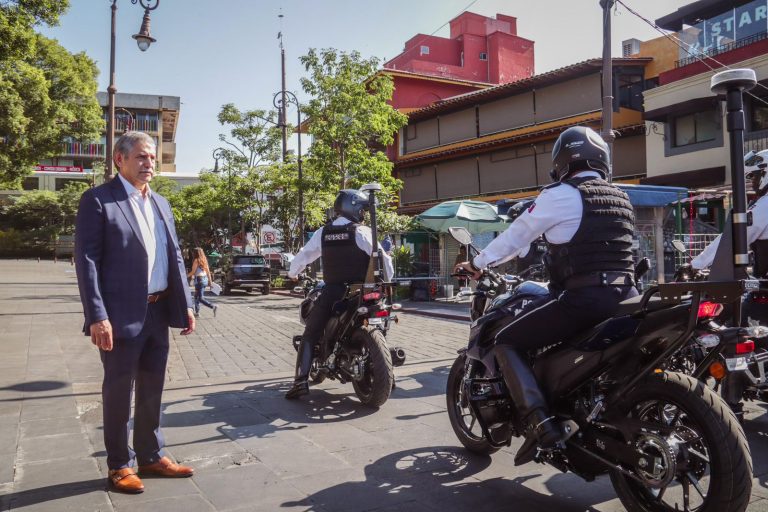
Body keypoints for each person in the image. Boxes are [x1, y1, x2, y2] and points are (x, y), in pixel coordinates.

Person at [455, 126, 638, 465]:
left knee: (507, 341)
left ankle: (541, 424)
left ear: (562, 162)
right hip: (628, 297)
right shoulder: (621, 197)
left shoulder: (560, 195)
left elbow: (517, 236)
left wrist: (478, 264)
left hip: (584, 300)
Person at [74, 131, 196, 494]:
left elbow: (175, 256)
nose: (149, 164)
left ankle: (151, 455)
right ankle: (119, 464)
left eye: (153, 158)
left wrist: (187, 303)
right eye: (142, 157)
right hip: (119, 316)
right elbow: (87, 261)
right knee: (118, 390)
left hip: (158, 310)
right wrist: (97, 315)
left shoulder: (161, 203)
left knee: (152, 387)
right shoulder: (99, 200)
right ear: (120, 159)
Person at [284, 189, 394, 399]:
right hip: (363, 292)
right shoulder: (362, 232)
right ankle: (388, 374)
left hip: (334, 292)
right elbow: (383, 259)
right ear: (352, 208)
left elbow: (304, 255)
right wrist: (386, 281)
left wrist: (293, 273)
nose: (363, 214)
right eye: (361, 210)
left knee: (310, 333)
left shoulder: (323, 232)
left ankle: (300, 382)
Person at [692, 149, 768, 277]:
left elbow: (735, 236)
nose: (753, 182)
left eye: (755, 176)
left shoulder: (765, 204)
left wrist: (696, 265)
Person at [187, 247, 218, 318]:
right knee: (196, 296)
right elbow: (208, 272)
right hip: (204, 280)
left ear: (195, 253)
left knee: (200, 298)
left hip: (199, 280)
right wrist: (210, 282)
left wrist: (185, 276)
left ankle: (213, 306)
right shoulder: (204, 260)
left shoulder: (196, 260)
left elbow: (193, 272)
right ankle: (197, 312)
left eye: (193, 252)